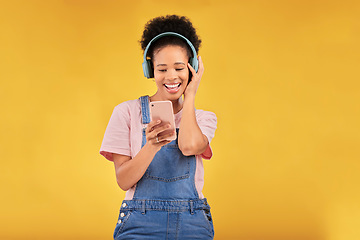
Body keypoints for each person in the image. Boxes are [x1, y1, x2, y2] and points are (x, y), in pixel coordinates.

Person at [99, 14, 217, 239]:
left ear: (192, 68)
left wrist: (190, 95)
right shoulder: (126, 113)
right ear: (149, 70)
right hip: (139, 223)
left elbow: (190, 146)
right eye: (162, 69)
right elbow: (123, 181)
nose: (171, 76)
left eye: (179, 68)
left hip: (192, 222)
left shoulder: (204, 119)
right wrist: (151, 146)